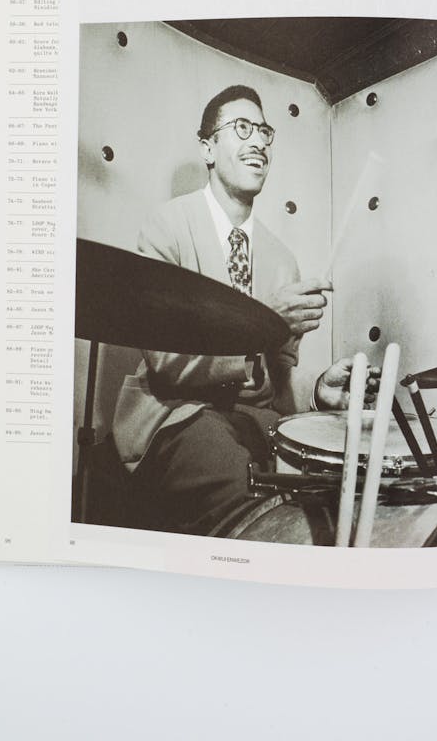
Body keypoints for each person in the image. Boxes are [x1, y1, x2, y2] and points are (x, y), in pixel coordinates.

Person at [110, 84, 375, 535]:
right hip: (176, 414)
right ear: (208, 148)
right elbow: (166, 361)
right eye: (242, 128)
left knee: (332, 490)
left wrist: (319, 392)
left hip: (256, 421)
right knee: (251, 493)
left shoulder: (283, 260)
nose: (258, 143)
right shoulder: (166, 227)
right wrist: (261, 321)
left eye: (264, 132)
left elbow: (278, 382)